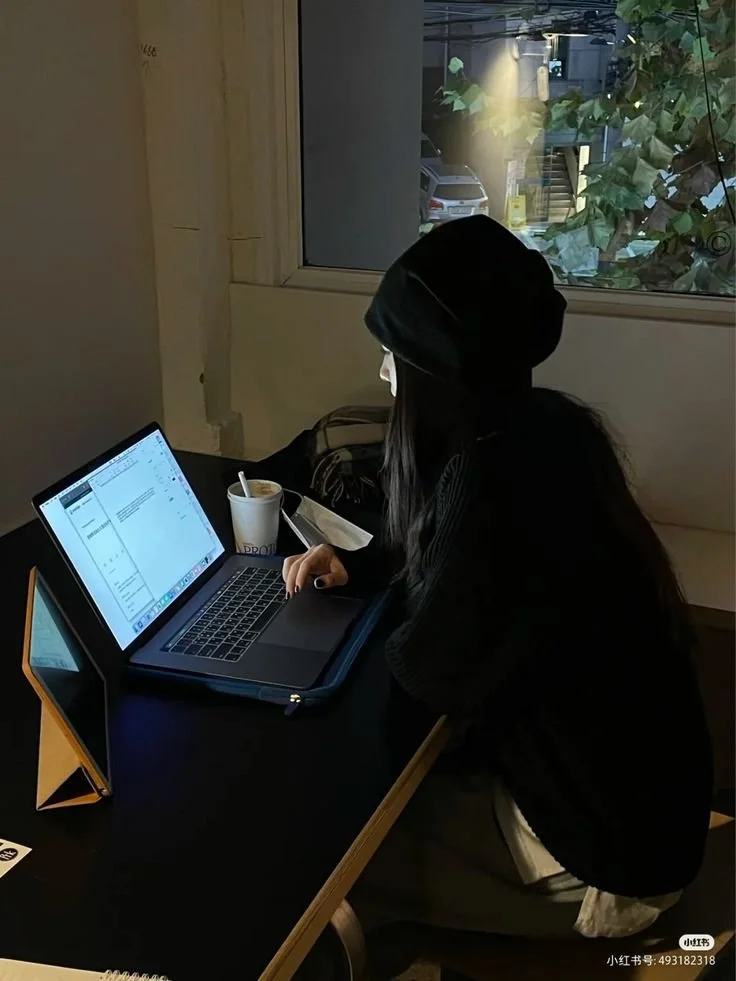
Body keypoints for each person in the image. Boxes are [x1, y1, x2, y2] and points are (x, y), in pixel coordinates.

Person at [283, 217, 713, 973]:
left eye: (394, 353)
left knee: (314, 877)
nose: (384, 372)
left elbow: (421, 679)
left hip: (603, 865)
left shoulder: (494, 489)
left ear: (436, 370)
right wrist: (371, 561)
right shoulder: (547, 431)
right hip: (637, 812)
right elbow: (461, 572)